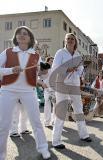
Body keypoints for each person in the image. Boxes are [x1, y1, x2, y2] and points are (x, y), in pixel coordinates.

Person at [0, 26, 50, 160]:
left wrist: (43, 73)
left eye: (25, 34)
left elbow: (39, 76)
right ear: (16, 37)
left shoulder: (36, 56)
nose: (22, 35)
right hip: (8, 90)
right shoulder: (8, 51)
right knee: (4, 124)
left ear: (30, 38)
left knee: (36, 121)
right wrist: (11, 70)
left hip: (28, 90)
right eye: (19, 33)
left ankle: (43, 148)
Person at [51, 33, 92, 150]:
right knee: (61, 111)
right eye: (68, 39)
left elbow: (80, 70)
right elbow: (55, 68)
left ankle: (84, 135)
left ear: (75, 42)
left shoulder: (78, 54)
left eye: (72, 39)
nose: (70, 40)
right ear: (65, 41)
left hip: (75, 85)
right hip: (62, 84)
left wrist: (78, 72)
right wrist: (68, 69)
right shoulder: (60, 53)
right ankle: (56, 140)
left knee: (79, 110)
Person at [39, 57, 56, 127]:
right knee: (47, 106)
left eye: (53, 61)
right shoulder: (44, 69)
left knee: (55, 106)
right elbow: (39, 78)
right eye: (51, 61)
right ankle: (47, 122)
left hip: (55, 90)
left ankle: (54, 121)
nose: (52, 62)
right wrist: (42, 84)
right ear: (47, 61)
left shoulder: (54, 69)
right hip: (47, 90)